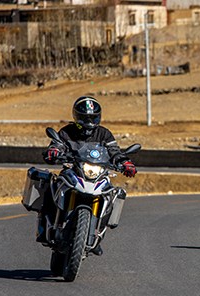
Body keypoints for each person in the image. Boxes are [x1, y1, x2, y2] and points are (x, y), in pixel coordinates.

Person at [40, 95, 137, 255]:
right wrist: (54, 151)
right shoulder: (67, 132)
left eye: (93, 118)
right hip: (73, 171)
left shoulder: (104, 134)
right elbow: (57, 144)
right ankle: (48, 225)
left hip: (97, 174)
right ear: (77, 116)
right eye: (85, 118)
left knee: (111, 194)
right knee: (53, 185)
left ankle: (97, 234)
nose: (89, 122)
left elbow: (114, 152)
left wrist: (125, 162)